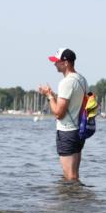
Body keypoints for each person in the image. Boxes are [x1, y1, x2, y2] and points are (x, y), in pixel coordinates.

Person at [37, 48, 88, 182]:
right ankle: (76, 200)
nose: (55, 64)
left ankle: (68, 201)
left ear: (65, 63)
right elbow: (71, 103)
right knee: (74, 175)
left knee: (69, 176)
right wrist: (52, 94)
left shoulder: (66, 82)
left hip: (67, 132)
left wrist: (48, 96)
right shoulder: (81, 79)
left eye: (57, 62)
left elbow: (59, 113)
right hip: (79, 131)